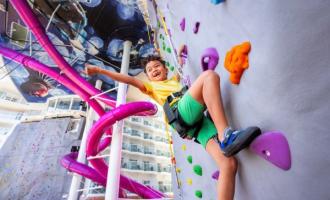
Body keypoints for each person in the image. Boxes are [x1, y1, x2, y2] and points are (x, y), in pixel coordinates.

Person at [85, 55, 261, 200]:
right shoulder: (151, 87)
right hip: (181, 114)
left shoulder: (175, 80)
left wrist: (181, 54)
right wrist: (100, 70)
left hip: (197, 126)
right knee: (209, 76)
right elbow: (129, 79)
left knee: (228, 164)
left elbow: (179, 64)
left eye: (157, 66)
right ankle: (226, 137)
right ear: (147, 76)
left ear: (165, 68)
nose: (154, 70)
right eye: (150, 70)